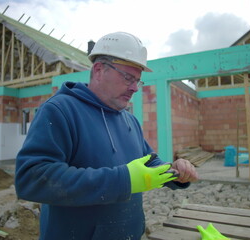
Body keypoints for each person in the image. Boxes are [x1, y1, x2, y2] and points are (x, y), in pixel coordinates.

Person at [15, 31, 199, 240]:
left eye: (138, 81)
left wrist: (174, 172)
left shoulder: (129, 120)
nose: (134, 88)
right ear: (99, 70)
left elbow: (148, 162)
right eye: (128, 77)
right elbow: (31, 178)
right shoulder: (60, 111)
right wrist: (123, 180)